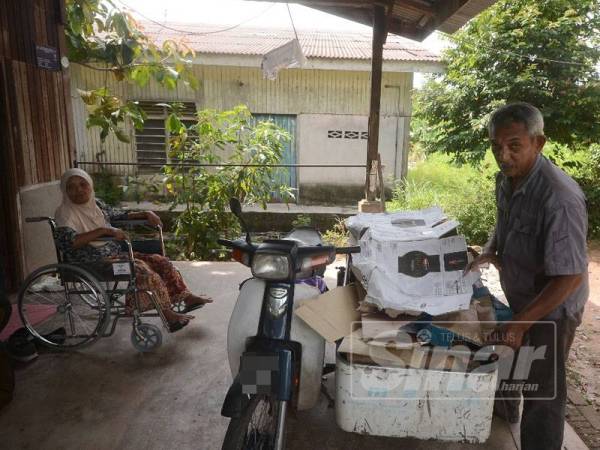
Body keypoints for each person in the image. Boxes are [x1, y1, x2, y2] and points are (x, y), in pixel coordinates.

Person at [466, 102, 588, 450]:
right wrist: (490, 249)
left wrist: (520, 324)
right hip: (521, 296)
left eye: (514, 145)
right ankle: (506, 418)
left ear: (539, 142)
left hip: (554, 308)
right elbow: (502, 223)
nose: (503, 156)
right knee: (511, 358)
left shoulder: (559, 197)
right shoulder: (507, 179)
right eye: (496, 147)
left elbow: (570, 277)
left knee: (543, 391)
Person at [54, 168, 212, 333]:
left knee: (160, 261)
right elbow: (68, 243)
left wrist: (145, 213)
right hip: (92, 263)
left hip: (114, 255)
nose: (78, 190)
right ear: (65, 191)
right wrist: (104, 231)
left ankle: (186, 298)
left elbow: (118, 215)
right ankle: (167, 314)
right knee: (142, 271)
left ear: (90, 185)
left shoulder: (96, 204)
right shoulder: (64, 213)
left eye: (82, 184)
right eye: (71, 187)